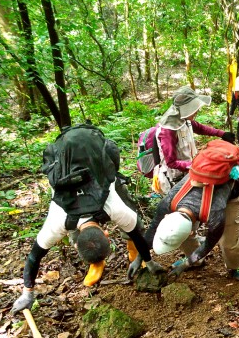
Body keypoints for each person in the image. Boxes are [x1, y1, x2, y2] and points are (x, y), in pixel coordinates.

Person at [11, 125, 163, 315]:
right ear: (107, 235)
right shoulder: (60, 218)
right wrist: (150, 262)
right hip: (64, 160)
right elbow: (33, 258)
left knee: (133, 220)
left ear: (107, 235)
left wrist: (27, 293)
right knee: (132, 225)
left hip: (98, 163)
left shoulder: (111, 206)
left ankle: (133, 254)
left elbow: (34, 257)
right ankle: (96, 263)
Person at [141, 166, 239, 281]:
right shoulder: (168, 202)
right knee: (183, 237)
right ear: (166, 216)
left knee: (228, 242)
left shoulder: (215, 214)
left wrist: (185, 265)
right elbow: (152, 229)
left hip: (233, 193)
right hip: (202, 198)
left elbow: (209, 243)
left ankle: (236, 266)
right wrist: (141, 258)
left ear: (192, 230)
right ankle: (196, 262)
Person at [153, 87, 236, 194]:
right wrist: (197, 166)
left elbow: (200, 128)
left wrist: (222, 134)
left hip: (191, 171)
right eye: (194, 108)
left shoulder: (184, 119)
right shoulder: (168, 131)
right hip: (174, 178)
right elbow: (171, 162)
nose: (196, 111)